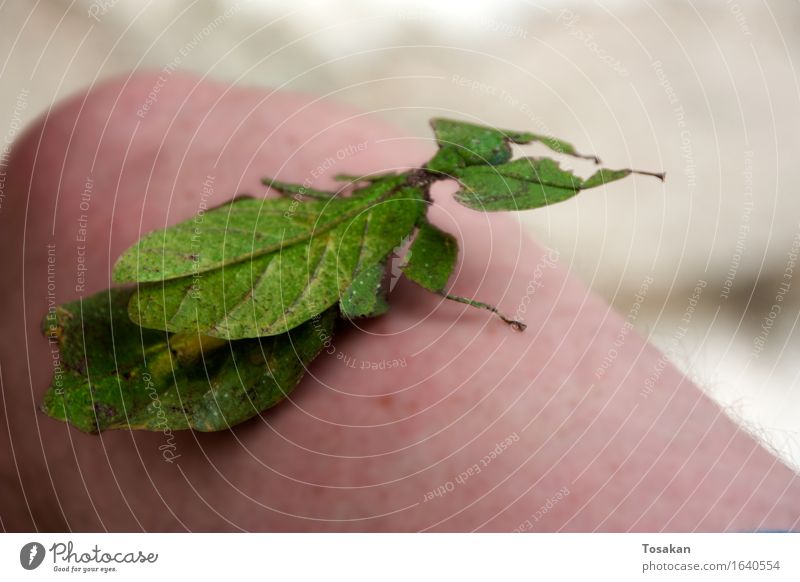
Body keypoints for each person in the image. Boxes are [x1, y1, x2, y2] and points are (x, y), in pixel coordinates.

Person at [1, 72, 797, 531]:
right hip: (284, 263)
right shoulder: (415, 223)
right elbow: (365, 297)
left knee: (96, 137)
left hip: (277, 247)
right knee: (334, 298)